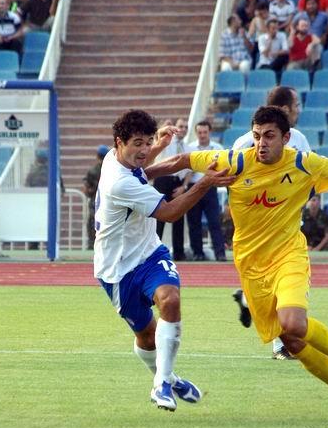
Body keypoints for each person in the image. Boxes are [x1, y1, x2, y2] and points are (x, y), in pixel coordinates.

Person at [152, 105, 328, 420]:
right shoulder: (235, 161)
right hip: (250, 266)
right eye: (257, 136)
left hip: (288, 255)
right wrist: (141, 173)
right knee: (292, 342)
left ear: (286, 138)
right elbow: (181, 161)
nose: (261, 143)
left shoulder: (303, 164)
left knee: (293, 323)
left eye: (269, 136)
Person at [94, 109, 234, 411]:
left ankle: (162, 383)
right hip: (116, 269)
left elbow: (147, 169)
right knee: (147, 337)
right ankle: (167, 376)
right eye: (138, 144)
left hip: (150, 253)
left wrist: (159, 145)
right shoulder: (119, 182)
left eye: (147, 142)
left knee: (170, 300)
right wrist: (205, 183)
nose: (144, 150)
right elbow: (169, 213)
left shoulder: (115, 159)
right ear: (119, 142)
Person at [230, 85, 310, 360]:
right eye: (296, 105)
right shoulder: (244, 144)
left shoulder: (299, 139)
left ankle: (278, 338)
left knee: (286, 286)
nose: (298, 110)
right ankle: (279, 341)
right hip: (256, 231)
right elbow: (232, 183)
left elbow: (308, 176)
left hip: (286, 225)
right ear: (286, 109)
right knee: (271, 288)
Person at [184, 120, 227, 261]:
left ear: (210, 132)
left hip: (210, 188)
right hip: (193, 187)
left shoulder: (218, 148)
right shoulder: (190, 148)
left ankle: (220, 253)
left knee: (214, 222)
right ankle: (198, 253)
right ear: (196, 133)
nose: (202, 135)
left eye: (205, 132)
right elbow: (186, 170)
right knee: (194, 222)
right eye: (199, 132)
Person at [153, 117, 189, 261]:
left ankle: (179, 252)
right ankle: (153, 251)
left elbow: (190, 170)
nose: (183, 129)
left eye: (186, 127)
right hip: (162, 179)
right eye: (180, 126)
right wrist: (164, 129)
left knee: (179, 216)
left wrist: (183, 186)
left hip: (177, 183)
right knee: (159, 217)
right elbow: (158, 137)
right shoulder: (166, 142)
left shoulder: (188, 147)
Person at [81, 144, 106, 246]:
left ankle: (92, 244)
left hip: (95, 201)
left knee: (93, 223)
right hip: (109, 201)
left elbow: (87, 189)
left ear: (97, 156)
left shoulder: (93, 171)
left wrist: (90, 192)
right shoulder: (112, 170)